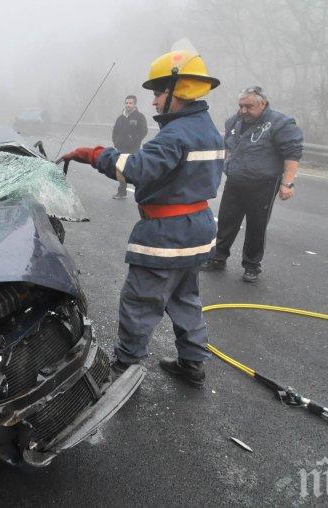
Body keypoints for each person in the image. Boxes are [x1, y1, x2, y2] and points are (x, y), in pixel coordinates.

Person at [60, 48, 223, 387]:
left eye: (158, 92)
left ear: (177, 91)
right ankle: (193, 364)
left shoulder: (176, 134)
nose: (153, 101)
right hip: (198, 231)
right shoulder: (207, 128)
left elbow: (136, 168)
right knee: (185, 298)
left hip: (167, 234)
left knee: (140, 302)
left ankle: (124, 368)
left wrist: (94, 154)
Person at [201, 86, 303, 283]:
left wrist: (287, 182)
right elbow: (227, 148)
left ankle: (251, 265)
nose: (244, 110)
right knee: (226, 221)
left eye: (249, 106)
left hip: (263, 184)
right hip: (236, 180)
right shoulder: (234, 121)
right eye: (241, 106)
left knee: (256, 225)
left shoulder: (280, 123)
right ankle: (218, 257)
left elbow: (292, 153)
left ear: (262, 103)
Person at [111, 95, 148, 199]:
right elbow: (115, 131)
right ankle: (122, 192)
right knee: (120, 170)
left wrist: (134, 140)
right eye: (126, 103)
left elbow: (144, 131)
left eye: (130, 103)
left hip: (134, 148)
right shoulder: (120, 118)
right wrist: (115, 142)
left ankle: (143, 193)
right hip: (121, 148)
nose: (128, 105)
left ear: (134, 104)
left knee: (135, 171)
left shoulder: (140, 116)